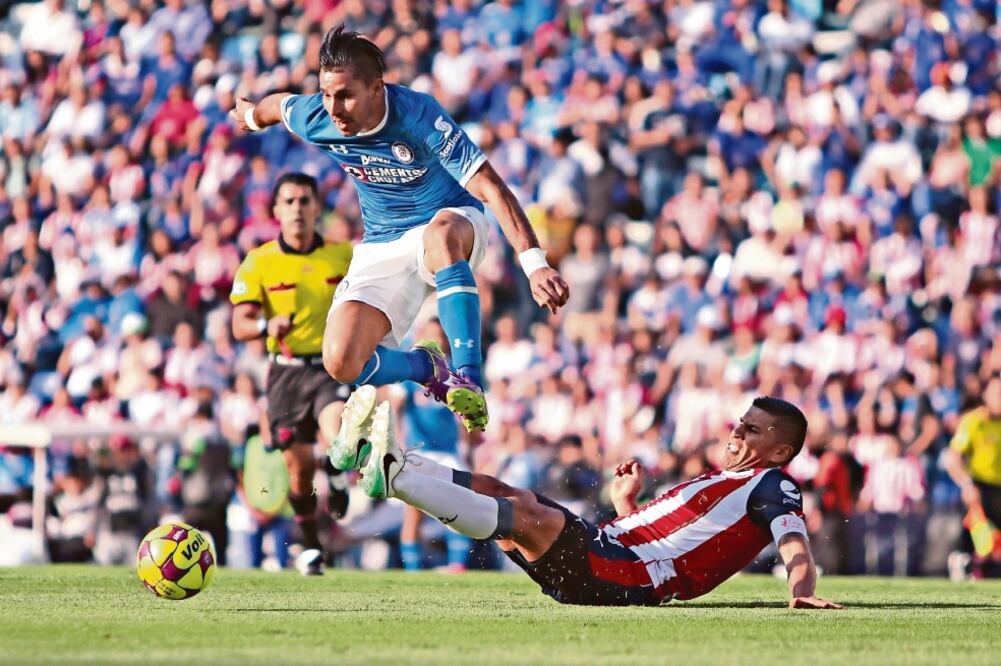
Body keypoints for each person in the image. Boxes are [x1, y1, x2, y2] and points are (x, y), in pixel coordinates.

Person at [230, 25, 569, 434]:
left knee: (440, 236)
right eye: (325, 93)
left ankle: (468, 380)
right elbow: (278, 106)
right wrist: (250, 117)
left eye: (345, 95)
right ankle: (426, 367)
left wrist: (534, 265)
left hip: (453, 222)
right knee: (341, 362)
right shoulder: (319, 116)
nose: (333, 107)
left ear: (377, 89)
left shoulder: (417, 114)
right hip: (382, 242)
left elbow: (492, 188)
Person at [340, 391, 842, 608]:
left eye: (751, 430)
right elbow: (668, 541)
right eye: (739, 422)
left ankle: (398, 477)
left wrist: (800, 588)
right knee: (504, 491)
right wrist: (629, 503)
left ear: (779, 450)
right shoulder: (721, 481)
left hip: (628, 574)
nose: (736, 432)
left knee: (525, 515)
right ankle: (388, 461)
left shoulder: (773, 485)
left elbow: (793, 540)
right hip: (614, 550)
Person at [230, 172, 353, 576]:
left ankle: (336, 471)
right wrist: (267, 326)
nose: (298, 209)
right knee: (298, 472)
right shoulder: (260, 261)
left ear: (317, 207)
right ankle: (311, 545)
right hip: (284, 373)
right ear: (277, 210)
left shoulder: (342, 256)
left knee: (337, 433)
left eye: (305, 200)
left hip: (329, 367)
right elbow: (239, 324)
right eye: (290, 201)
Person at [390, 320, 471, 572]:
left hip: (448, 451)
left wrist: (467, 448)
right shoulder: (413, 369)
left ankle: (458, 565)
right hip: (419, 450)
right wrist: (398, 442)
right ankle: (413, 569)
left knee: (458, 506)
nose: (436, 341)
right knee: (413, 511)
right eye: (431, 336)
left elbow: (464, 415)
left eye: (440, 336)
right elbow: (397, 406)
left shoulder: (454, 370)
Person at [944, 377, 1001, 578]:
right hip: (979, 488)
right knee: (981, 534)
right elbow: (953, 458)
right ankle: (964, 563)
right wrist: (967, 485)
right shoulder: (974, 421)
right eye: (996, 393)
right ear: (986, 396)